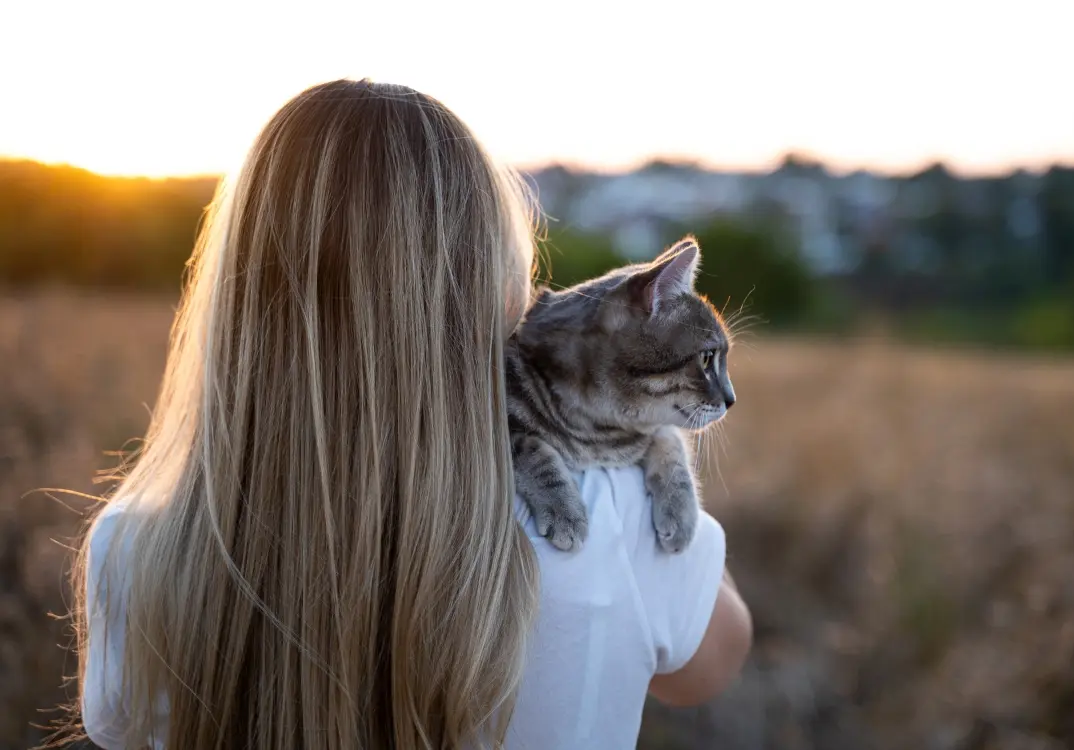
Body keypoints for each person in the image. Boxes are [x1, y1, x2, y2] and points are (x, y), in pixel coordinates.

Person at [75, 79, 752, 750]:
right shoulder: (610, 517)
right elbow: (713, 664)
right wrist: (644, 436)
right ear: (493, 292)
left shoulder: (134, 553)